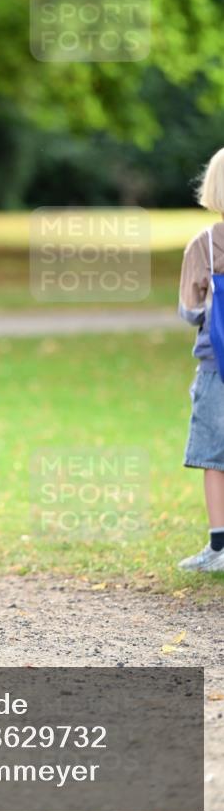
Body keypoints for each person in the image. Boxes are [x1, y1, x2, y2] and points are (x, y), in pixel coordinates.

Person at [177, 146, 224, 572]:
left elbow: (189, 311)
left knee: (214, 457)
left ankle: (218, 547)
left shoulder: (204, 246)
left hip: (217, 367)